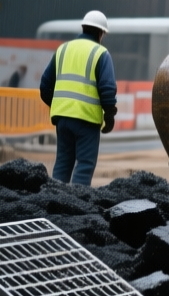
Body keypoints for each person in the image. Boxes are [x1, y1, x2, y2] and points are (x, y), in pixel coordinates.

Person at [40, 10, 118, 186]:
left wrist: (59, 106)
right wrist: (109, 115)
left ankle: (54, 202)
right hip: (86, 120)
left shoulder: (63, 49)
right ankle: (76, 207)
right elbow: (107, 89)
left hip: (62, 119)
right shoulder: (101, 53)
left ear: (83, 27)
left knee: (63, 163)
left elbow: (45, 86)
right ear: (101, 33)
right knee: (84, 165)